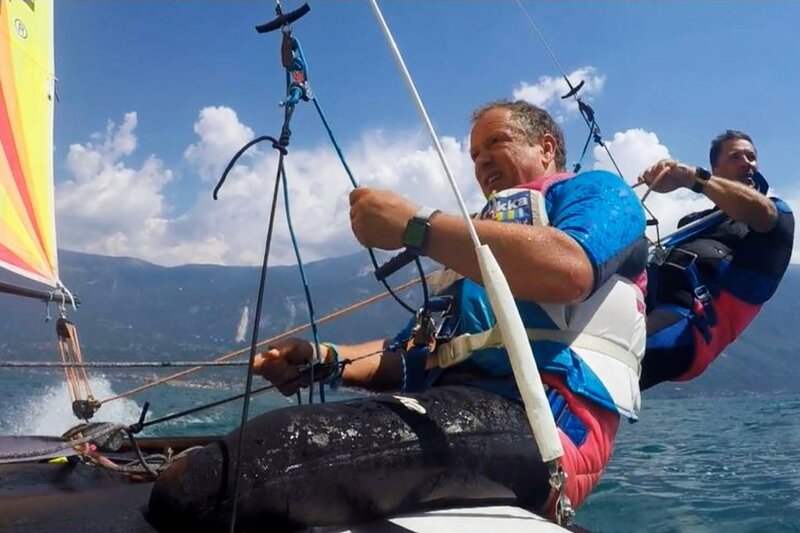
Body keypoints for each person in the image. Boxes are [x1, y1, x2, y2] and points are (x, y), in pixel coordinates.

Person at [148, 100, 647, 531]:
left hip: (544, 430)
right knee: (232, 461)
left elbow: (569, 269)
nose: (481, 162)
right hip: (461, 413)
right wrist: (323, 358)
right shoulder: (470, 251)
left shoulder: (597, 193)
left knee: (205, 486)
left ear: (546, 147)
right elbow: (409, 356)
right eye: (473, 155)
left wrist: (417, 227)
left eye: (496, 142)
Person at [638, 130, 794, 390]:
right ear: (716, 168)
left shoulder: (775, 220)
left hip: (689, 333)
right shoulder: (691, 223)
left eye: (752, 157)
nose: (748, 162)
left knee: (592, 360)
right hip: (645, 311)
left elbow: (761, 211)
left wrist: (690, 178)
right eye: (736, 156)